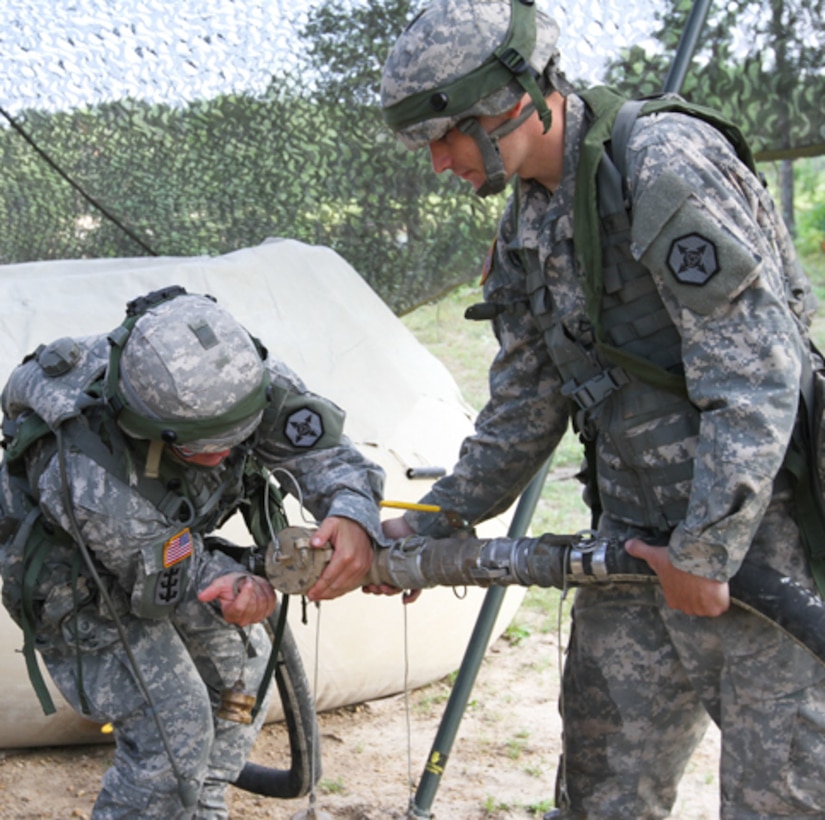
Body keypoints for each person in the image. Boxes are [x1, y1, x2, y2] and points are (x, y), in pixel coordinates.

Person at [376, 0, 825, 817]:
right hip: (629, 547)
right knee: (601, 795)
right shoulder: (526, 219)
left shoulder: (662, 163)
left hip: (761, 546)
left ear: (510, 101)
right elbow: (525, 402)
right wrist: (439, 517)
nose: (438, 163)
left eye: (443, 135)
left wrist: (707, 547)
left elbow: (755, 375)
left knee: (783, 799)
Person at [0, 286, 384, 818]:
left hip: (170, 548)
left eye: (238, 436)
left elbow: (323, 452)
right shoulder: (87, 468)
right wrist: (233, 582)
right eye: (202, 447)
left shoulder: (233, 380)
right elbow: (167, 572)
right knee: (171, 734)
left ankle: (202, 808)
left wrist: (351, 510)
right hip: (76, 582)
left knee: (242, 680)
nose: (224, 454)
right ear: (147, 425)